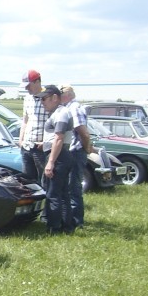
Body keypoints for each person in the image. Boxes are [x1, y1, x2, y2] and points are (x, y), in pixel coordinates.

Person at [40, 85, 76, 234]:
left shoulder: (61, 113)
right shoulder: (58, 113)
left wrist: (51, 162)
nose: (42, 102)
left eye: (44, 99)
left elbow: (59, 138)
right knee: (62, 193)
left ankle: (54, 228)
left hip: (58, 157)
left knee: (53, 194)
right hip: (61, 155)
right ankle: (67, 226)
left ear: (55, 98)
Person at [60, 84, 94, 229]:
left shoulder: (74, 108)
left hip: (75, 152)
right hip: (73, 152)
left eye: (61, 94)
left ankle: (76, 221)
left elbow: (84, 133)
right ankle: (70, 218)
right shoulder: (68, 107)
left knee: (73, 187)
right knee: (70, 186)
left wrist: (86, 148)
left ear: (67, 95)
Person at [16, 69, 47, 183]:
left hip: (40, 147)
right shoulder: (27, 99)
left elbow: (55, 124)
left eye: (28, 85)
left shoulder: (48, 98)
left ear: (37, 82)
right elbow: (25, 121)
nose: (26, 88)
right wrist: (21, 140)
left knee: (44, 180)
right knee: (27, 180)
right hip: (26, 146)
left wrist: (46, 142)